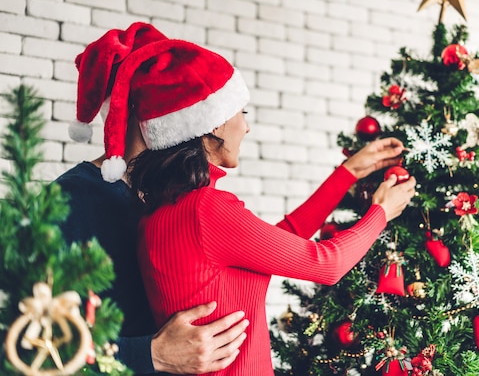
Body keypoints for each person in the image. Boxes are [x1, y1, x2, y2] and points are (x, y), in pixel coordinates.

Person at [87, 27, 416, 376]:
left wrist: (348, 172)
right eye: (242, 113)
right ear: (210, 125)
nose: (246, 128)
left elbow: (284, 237)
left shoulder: (160, 213)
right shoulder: (205, 210)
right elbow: (327, 264)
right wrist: (382, 211)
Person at [55, 22, 249, 375]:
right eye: (237, 114)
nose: (245, 127)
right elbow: (25, 341)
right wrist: (151, 354)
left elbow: (264, 247)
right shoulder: (70, 201)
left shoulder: (175, 201)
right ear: (185, 119)